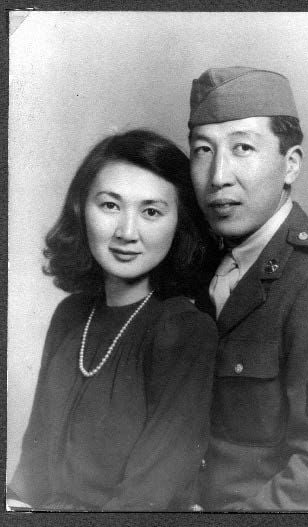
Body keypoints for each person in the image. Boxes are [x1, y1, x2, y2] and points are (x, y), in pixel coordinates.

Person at [7, 129, 218, 511]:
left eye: (151, 212)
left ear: (179, 225)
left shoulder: (186, 331)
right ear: (80, 208)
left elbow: (148, 497)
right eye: (110, 206)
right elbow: (31, 474)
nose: (126, 232)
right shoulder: (70, 315)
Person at [188, 67, 308, 511]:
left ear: (290, 164)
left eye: (242, 148)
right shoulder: (200, 260)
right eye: (202, 151)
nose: (218, 176)